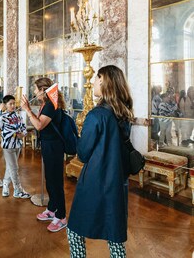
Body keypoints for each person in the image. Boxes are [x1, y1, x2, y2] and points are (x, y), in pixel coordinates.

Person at [67, 65, 134, 257]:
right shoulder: (124, 113)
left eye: (96, 78)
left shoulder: (96, 115)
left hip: (95, 182)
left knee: (75, 231)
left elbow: (83, 154)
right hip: (118, 182)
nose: (93, 82)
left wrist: (75, 134)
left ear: (104, 82)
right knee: (114, 236)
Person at [21, 77, 67, 232]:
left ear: (42, 90)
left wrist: (27, 110)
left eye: (35, 89)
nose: (34, 92)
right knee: (50, 180)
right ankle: (52, 208)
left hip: (54, 147)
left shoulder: (50, 106)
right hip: (49, 146)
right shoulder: (46, 104)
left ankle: (61, 216)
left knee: (55, 182)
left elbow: (39, 125)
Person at [0, 95, 30, 198]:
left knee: (10, 167)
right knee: (14, 168)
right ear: (5, 105)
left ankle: (5, 186)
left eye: (14, 103)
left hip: (17, 144)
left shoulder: (18, 116)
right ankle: (17, 190)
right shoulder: (3, 117)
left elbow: (24, 128)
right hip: (8, 145)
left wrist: (23, 134)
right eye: (10, 104)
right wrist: (0, 111)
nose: (13, 105)